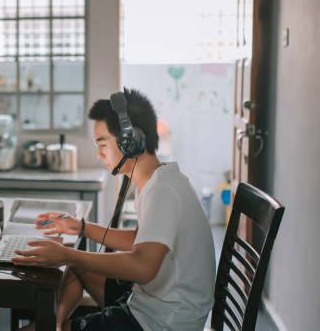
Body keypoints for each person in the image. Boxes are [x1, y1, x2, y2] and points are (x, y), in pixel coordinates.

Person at [12, 88, 215, 331]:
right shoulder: (158, 181)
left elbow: (143, 268)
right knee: (79, 265)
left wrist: (66, 255)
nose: (98, 154)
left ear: (129, 141)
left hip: (161, 323)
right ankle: (54, 324)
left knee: (73, 261)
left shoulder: (163, 192)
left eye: (102, 143)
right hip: (153, 304)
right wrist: (81, 228)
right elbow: (140, 241)